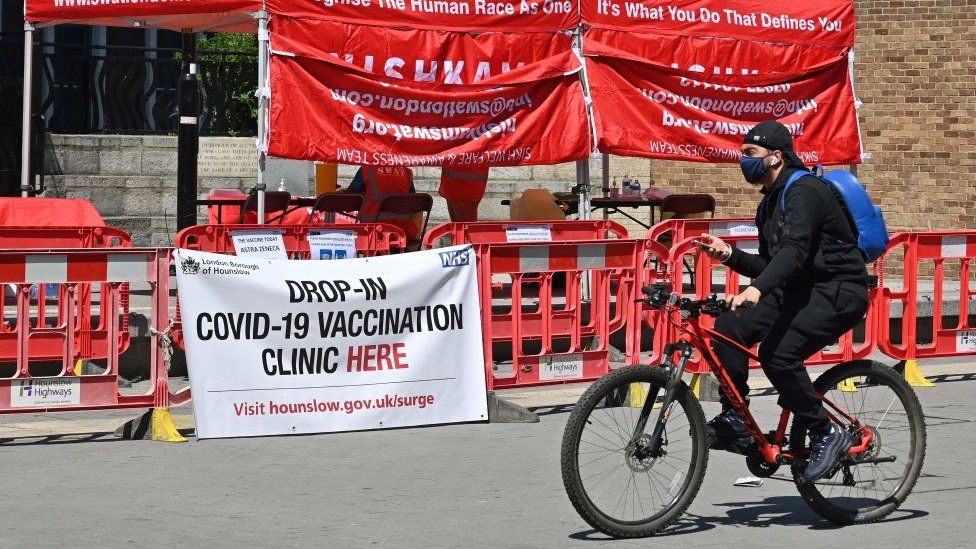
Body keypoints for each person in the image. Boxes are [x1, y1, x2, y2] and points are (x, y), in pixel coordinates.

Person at [696, 121, 869, 482]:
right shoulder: (770, 203)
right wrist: (730, 256)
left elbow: (795, 250)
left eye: (750, 154)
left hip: (837, 289)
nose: (743, 161)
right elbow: (771, 262)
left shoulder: (806, 190)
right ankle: (736, 418)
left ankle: (826, 431)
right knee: (730, 327)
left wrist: (756, 290)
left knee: (778, 354)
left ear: (776, 156)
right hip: (798, 289)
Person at [346, 165, 419, 239]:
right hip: (402, 233)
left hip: (371, 232)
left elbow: (349, 198)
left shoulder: (366, 169)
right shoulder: (406, 172)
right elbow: (415, 204)